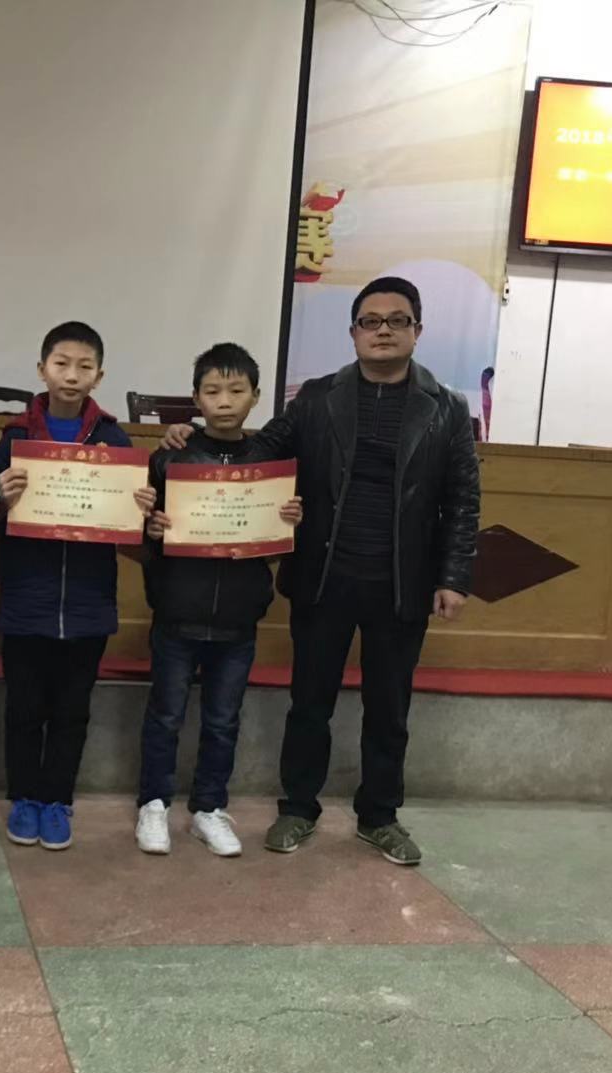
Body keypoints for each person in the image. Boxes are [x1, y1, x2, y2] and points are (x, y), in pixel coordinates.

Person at [162, 276, 479, 865]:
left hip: (401, 583)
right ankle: (298, 809)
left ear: (417, 331)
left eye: (397, 320)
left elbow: (463, 497)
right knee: (310, 702)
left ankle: (379, 816)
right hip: (324, 576)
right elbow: (256, 454)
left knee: (390, 709)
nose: (383, 330)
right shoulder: (316, 398)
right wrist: (193, 440)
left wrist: (453, 576)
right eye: (370, 321)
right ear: (353, 332)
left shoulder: (447, 409)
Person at [0, 321, 157, 851]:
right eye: (61, 363)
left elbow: (129, 528)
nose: (72, 374)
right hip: (26, 598)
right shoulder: (15, 438)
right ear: (42, 370)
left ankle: (58, 800)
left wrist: (140, 508)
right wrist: (0, 498)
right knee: (23, 709)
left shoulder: (114, 440)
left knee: (72, 711)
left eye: (85, 366)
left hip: (87, 603)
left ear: (99, 376)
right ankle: (25, 798)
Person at [137, 344, 302, 857]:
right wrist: (152, 529)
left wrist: (288, 523)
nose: (224, 401)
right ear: (196, 398)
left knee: (223, 721)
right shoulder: (172, 457)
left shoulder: (269, 466)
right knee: (165, 716)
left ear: (256, 397)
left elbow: (273, 547)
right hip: (176, 614)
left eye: (236, 390)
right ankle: (153, 804)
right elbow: (144, 531)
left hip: (237, 620)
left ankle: (209, 808)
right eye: (212, 391)